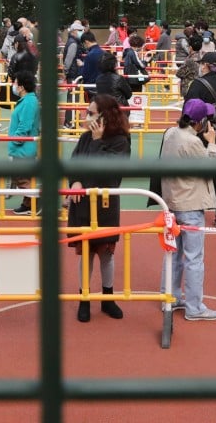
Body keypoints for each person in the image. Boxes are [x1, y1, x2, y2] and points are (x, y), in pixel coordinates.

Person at [66, 94, 132, 322]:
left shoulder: (121, 142)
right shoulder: (85, 138)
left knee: (106, 253)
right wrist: (74, 181)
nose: (86, 116)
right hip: (83, 204)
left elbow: (109, 175)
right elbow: (74, 164)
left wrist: (97, 142)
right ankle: (84, 299)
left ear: (105, 116)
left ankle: (108, 298)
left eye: (91, 113)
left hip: (105, 205)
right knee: (86, 253)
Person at [159, 98, 216, 321]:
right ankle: (194, 307)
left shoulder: (171, 133)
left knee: (173, 254)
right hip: (190, 204)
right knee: (194, 258)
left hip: (172, 202)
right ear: (200, 122)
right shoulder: (192, 142)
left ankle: (170, 297)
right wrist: (212, 144)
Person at [184, 52, 216, 227]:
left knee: (193, 174)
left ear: (205, 65)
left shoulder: (198, 84)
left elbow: (188, 108)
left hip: (201, 133)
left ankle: (194, 211)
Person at [9, 72, 41, 215]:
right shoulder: (28, 100)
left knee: (19, 176)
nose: (13, 85)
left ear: (21, 87)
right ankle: (28, 204)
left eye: (15, 83)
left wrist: (15, 140)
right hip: (23, 146)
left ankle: (38, 199)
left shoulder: (28, 102)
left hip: (23, 147)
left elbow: (25, 126)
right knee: (24, 176)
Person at [62, 21, 85, 128]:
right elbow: (68, 60)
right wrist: (66, 72)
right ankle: (69, 122)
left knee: (74, 98)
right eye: (80, 30)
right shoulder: (73, 43)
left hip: (73, 74)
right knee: (72, 99)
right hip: (73, 74)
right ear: (74, 31)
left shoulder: (73, 42)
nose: (82, 32)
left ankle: (73, 121)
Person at [79, 31, 104, 101]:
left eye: (84, 44)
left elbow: (85, 74)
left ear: (86, 42)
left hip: (92, 88)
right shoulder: (104, 53)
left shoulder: (89, 55)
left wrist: (81, 66)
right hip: (104, 87)